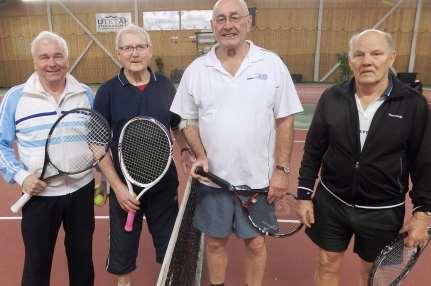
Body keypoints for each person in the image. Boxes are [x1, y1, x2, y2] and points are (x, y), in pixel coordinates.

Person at [170, 1, 303, 285]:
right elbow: (187, 120)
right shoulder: (197, 69)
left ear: (248, 22)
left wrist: (281, 170)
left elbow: (285, 121)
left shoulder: (271, 64)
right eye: (220, 19)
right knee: (215, 243)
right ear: (212, 26)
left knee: (255, 244)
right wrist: (200, 155)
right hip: (213, 181)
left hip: (258, 180)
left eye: (234, 17)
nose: (227, 24)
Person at [297, 29, 431, 286]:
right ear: (350, 61)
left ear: (392, 57)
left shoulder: (412, 104)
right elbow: (313, 149)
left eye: (376, 53)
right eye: (359, 54)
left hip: (383, 210)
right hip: (331, 201)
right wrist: (304, 194)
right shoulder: (332, 98)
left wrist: (423, 213)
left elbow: (425, 163)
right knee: (326, 261)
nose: (367, 60)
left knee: (375, 275)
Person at [93, 24, 191, 286]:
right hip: (124, 191)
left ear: (149, 50)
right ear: (118, 53)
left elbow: (176, 126)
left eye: (139, 47)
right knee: (122, 259)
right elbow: (97, 145)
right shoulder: (106, 92)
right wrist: (117, 188)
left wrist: (183, 149)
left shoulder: (166, 87)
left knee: (170, 252)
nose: (134, 53)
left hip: (163, 187)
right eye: (127, 48)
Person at [0, 31, 95, 286]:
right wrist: (21, 176)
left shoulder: (85, 94)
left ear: (67, 58)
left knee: (82, 261)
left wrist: (104, 180)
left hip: (81, 191)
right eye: (44, 57)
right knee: (37, 265)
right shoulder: (16, 97)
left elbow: (97, 140)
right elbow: (1, 144)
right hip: (38, 197)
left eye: (57, 56)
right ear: (34, 61)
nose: (52, 63)